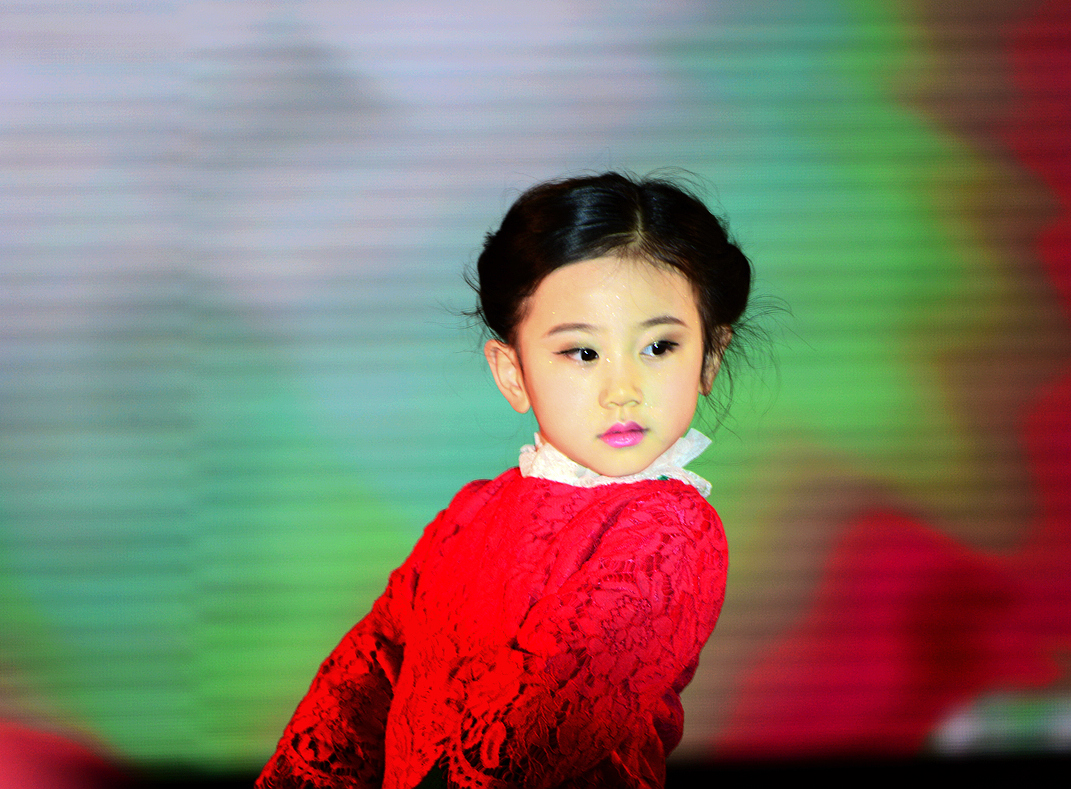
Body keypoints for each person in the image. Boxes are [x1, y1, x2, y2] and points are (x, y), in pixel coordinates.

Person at [256, 172, 753, 789]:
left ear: (710, 357)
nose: (623, 390)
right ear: (513, 373)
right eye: (582, 352)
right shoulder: (472, 510)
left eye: (658, 347)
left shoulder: (672, 530)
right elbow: (364, 675)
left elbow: (525, 737)